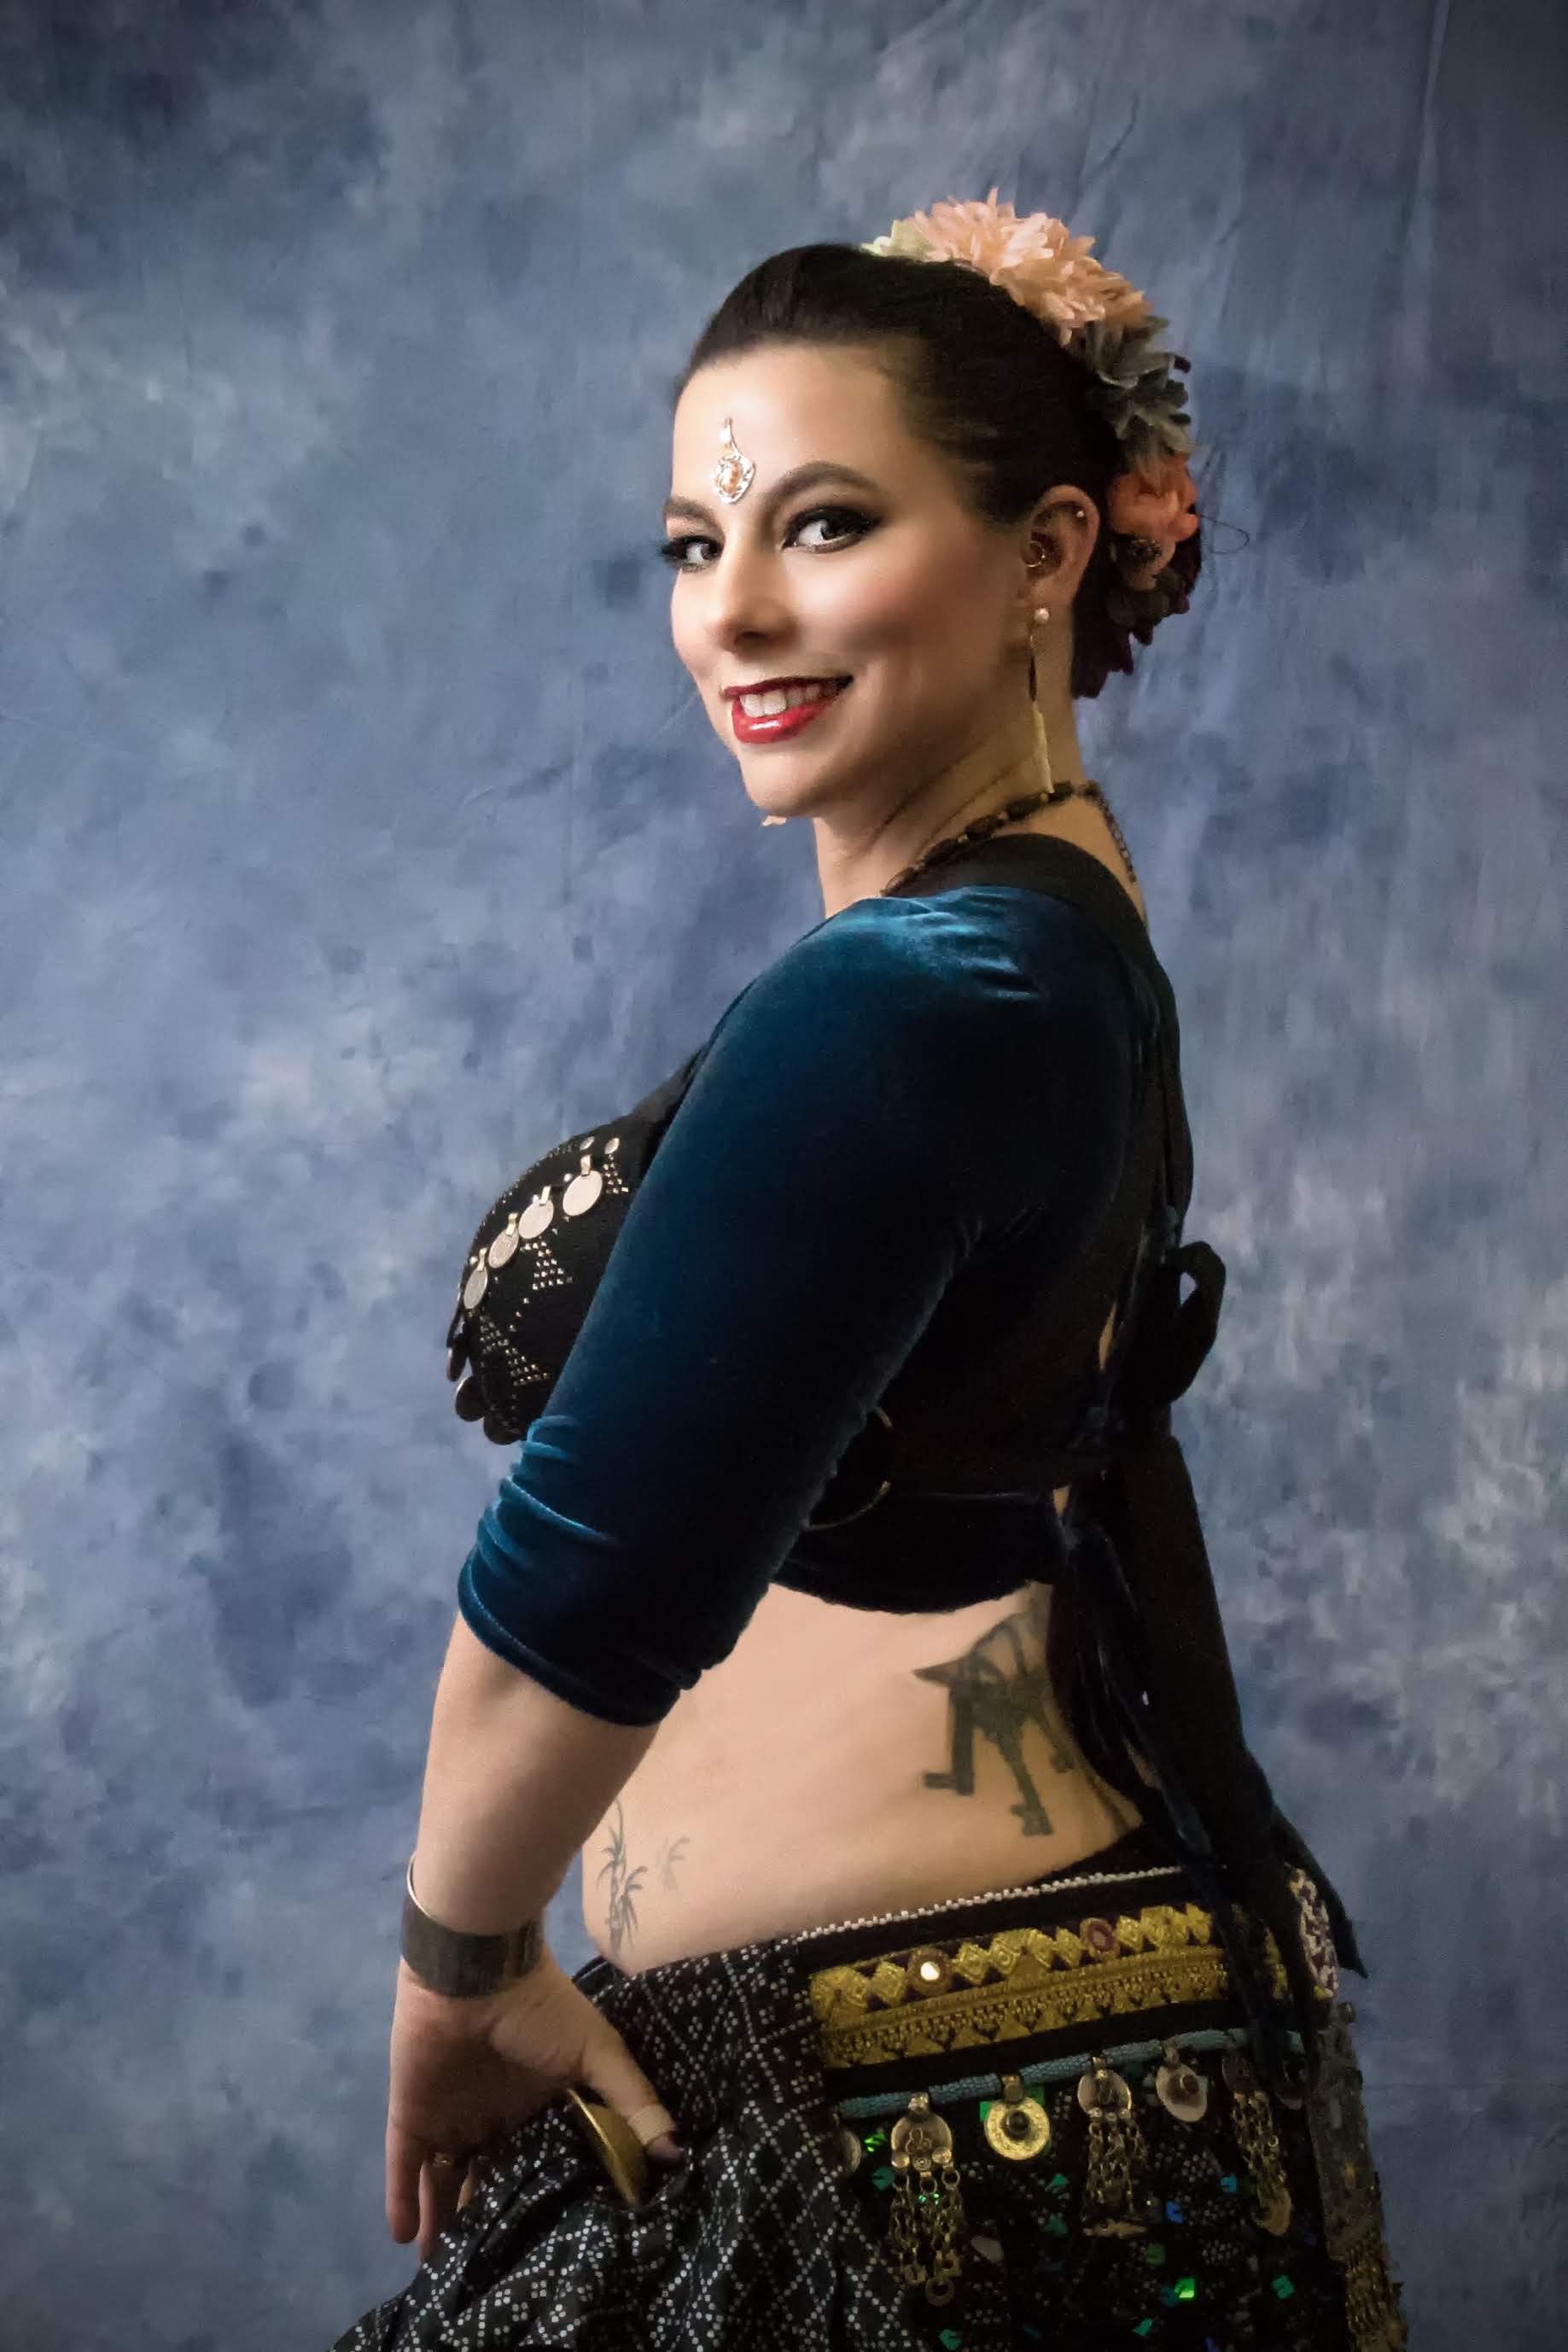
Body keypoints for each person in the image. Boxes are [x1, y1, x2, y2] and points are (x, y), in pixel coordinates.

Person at [329, 194, 1406, 2350]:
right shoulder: (1035, 937)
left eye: (821, 524)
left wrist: (458, 1963)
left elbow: (568, 1613)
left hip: (922, 2127)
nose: (732, 612)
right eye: (688, 545)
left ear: (1050, 551)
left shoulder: (925, 993)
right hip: (988, 2046)